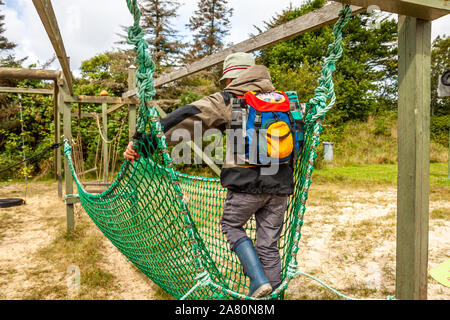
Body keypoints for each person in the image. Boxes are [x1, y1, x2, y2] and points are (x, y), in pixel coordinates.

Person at [124, 52, 298, 298]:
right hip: (280, 186)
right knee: (268, 246)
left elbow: (187, 118)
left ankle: (257, 280)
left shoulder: (229, 100)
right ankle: (272, 298)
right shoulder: (283, 102)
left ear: (231, 79)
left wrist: (144, 143)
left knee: (231, 224)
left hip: (245, 184)